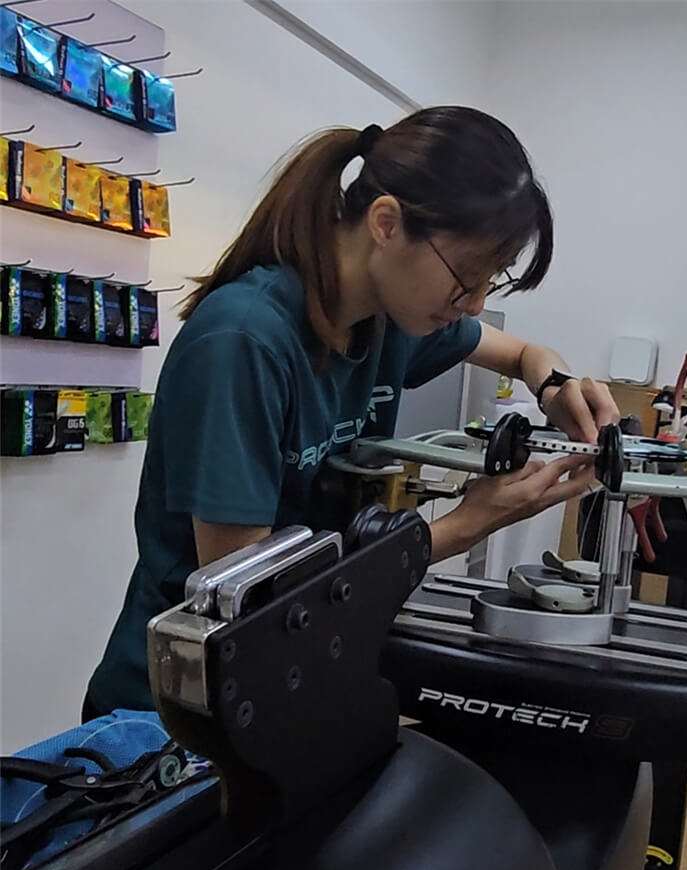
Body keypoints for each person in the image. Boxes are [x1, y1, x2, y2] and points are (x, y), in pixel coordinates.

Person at [83, 106, 620, 720]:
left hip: (293, 679)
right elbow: (248, 595)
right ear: (387, 223)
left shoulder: (388, 321)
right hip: (178, 713)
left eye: (488, 284)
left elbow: (523, 353)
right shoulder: (244, 342)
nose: (472, 304)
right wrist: (471, 523)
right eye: (465, 279)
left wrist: (554, 383)